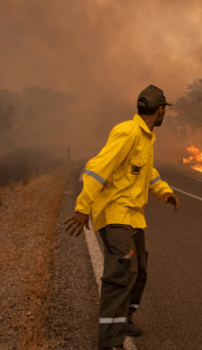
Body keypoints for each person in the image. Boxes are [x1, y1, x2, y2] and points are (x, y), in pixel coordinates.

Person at [64, 84, 180, 350]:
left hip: (133, 217)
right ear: (160, 110)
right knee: (119, 275)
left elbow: (147, 172)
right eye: (165, 110)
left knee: (138, 273)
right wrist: (83, 207)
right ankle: (110, 341)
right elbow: (96, 168)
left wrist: (164, 192)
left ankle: (124, 318)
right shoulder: (127, 133)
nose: (165, 114)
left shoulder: (146, 137)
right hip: (116, 215)